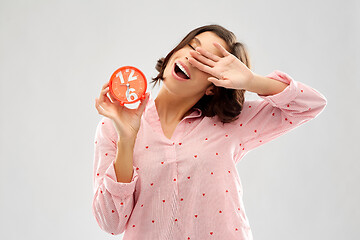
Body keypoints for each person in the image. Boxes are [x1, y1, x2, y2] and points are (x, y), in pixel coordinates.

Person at [92, 24, 327, 239]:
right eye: (191, 47)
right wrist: (127, 140)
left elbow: (311, 104)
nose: (191, 58)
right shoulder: (114, 128)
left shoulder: (232, 124)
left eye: (206, 61)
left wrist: (251, 81)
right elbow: (111, 222)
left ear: (213, 87)